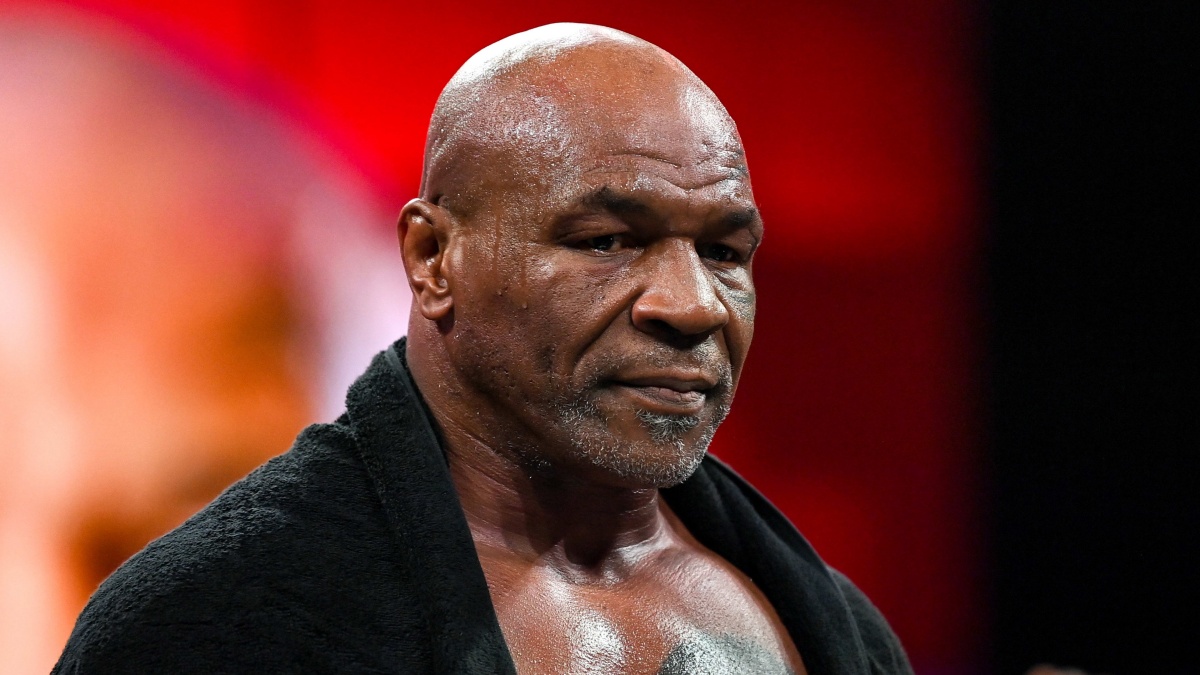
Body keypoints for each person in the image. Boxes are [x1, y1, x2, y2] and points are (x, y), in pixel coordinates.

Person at [54, 23, 912, 675]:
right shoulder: (213, 623)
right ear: (434, 259)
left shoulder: (829, 627)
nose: (692, 305)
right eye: (608, 241)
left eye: (724, 252)